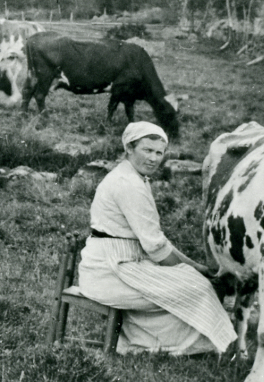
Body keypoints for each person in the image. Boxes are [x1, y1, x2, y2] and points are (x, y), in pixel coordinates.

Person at [77, 121, 236, 356]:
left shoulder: (134, 176)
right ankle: (196, 345)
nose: (153, 158)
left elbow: (157, 241)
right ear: (129, 148)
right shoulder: (128, 184)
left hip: (120, 262)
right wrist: (194, 270)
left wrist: (194, 267)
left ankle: (149, 342)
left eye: (159, 152)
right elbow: (156, 247)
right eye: (147, 150)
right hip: (109, 271)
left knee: (191, 278)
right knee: (199, 287)